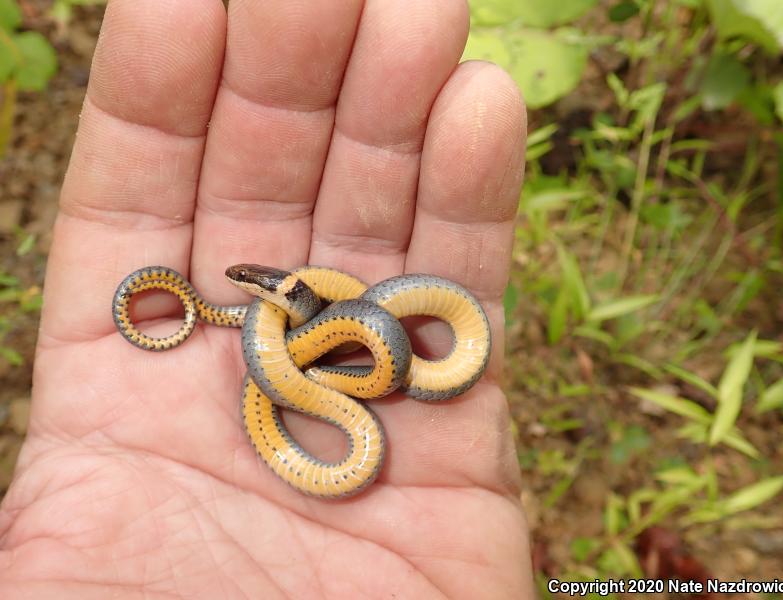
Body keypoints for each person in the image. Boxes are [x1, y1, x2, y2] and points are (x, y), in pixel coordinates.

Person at [0, 0, 532, 597]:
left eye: (251, 285)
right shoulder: (303, 330)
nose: (245, 289)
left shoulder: (316, 323)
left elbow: (340, 329)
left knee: (349, 339)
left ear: (271, 289)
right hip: (331, 348)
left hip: (341, 340)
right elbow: (328, 334)